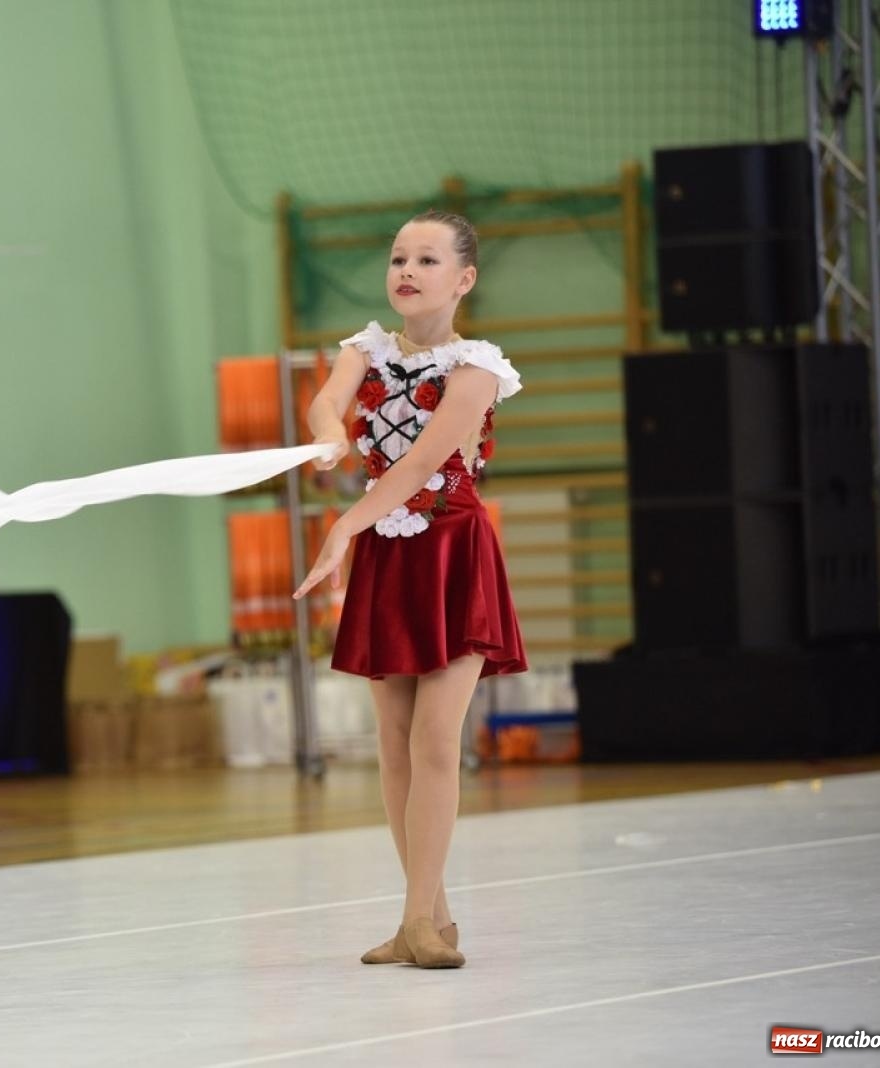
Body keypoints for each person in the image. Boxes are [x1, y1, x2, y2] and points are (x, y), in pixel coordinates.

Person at [293, 210, 528, 969]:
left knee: (434, 742)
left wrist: (344, 527)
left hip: (453, 555)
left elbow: (419, 467)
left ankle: (416, 921)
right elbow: (326, 401)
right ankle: (429, 919)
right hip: (391, 561)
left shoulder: (478, 369)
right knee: (393, 747)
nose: (406, 270)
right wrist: (330, 430)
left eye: (427, 259)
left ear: (462, 279)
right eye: (398, 257)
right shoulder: (366, 350)